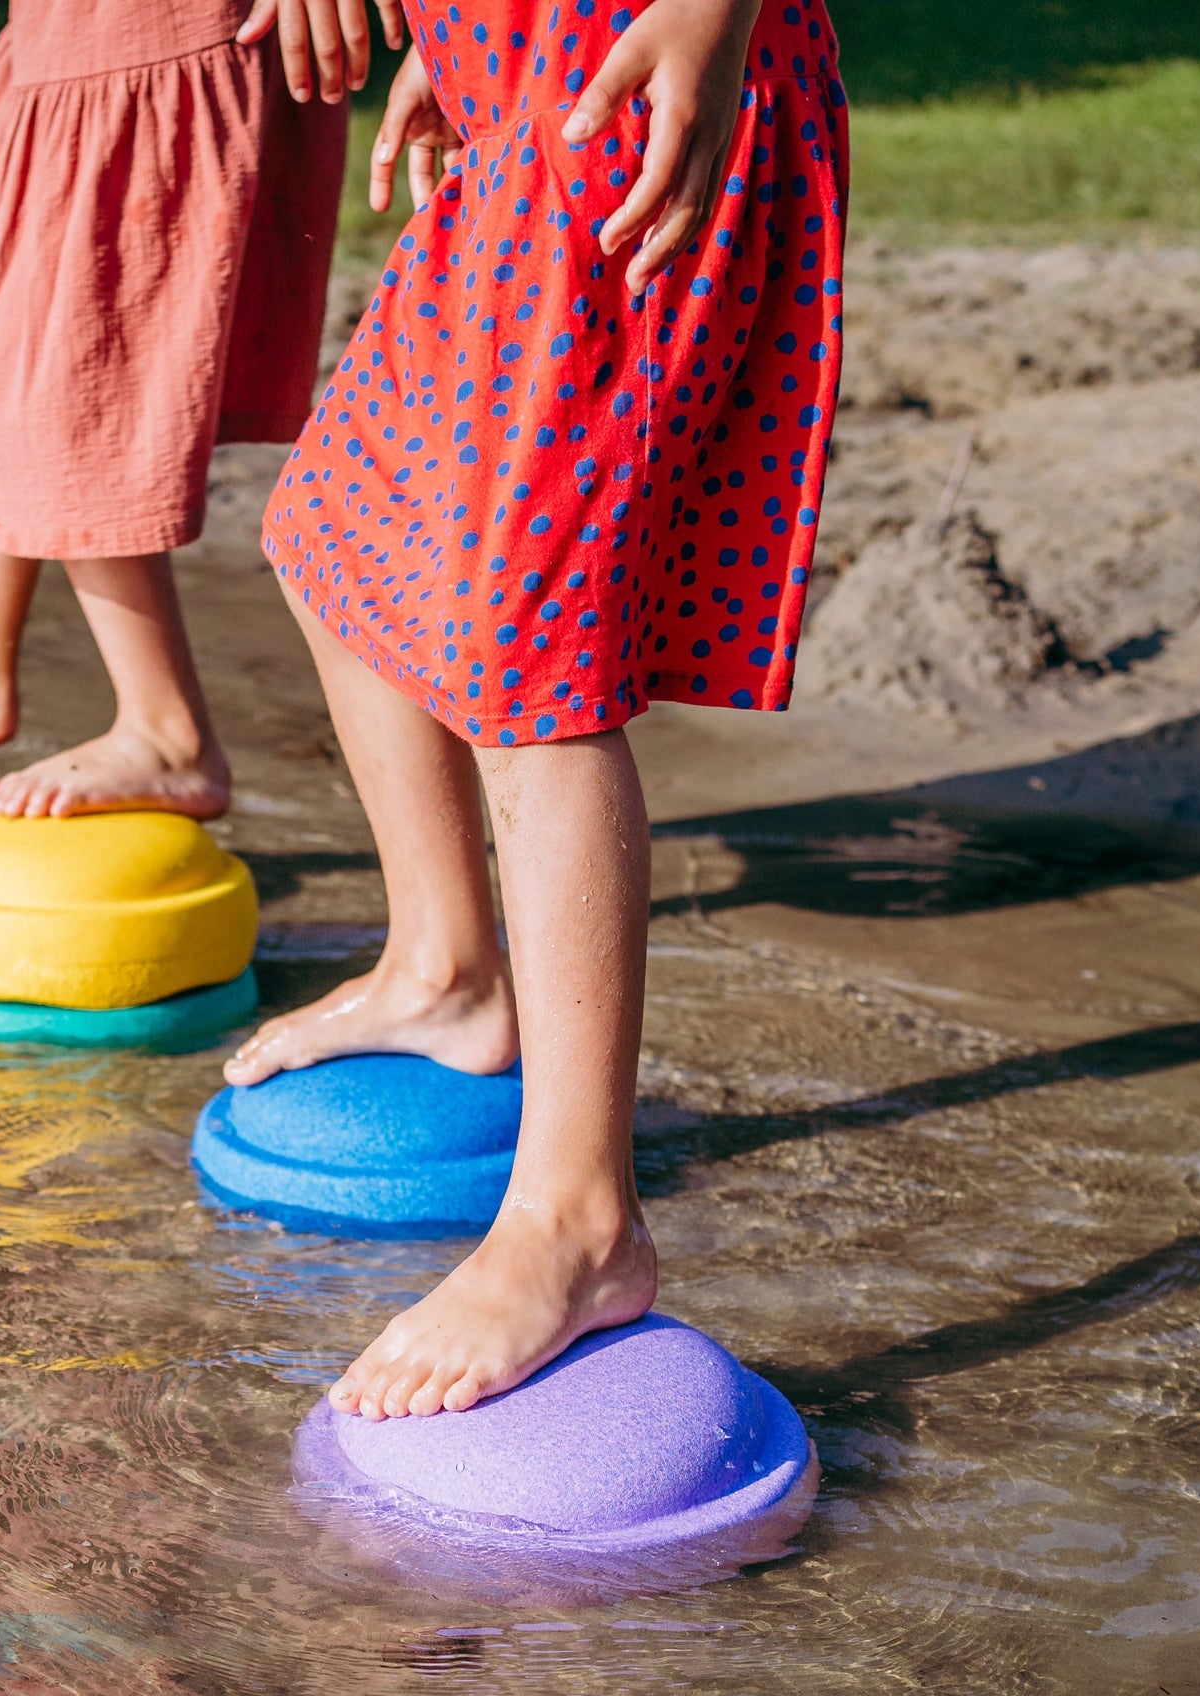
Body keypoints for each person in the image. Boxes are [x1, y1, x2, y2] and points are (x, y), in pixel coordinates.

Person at [228, 0, 848, 1417]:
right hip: (527, 98)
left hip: (637, 88)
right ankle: (445, 967)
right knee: (335, 530)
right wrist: (464, 51)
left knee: (533, 661)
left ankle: (579, 1217)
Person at [0, 0, 392, 819]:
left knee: (77, 368)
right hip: (60, 34)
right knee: (6, 331)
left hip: (151, 33)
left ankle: (166, 729)